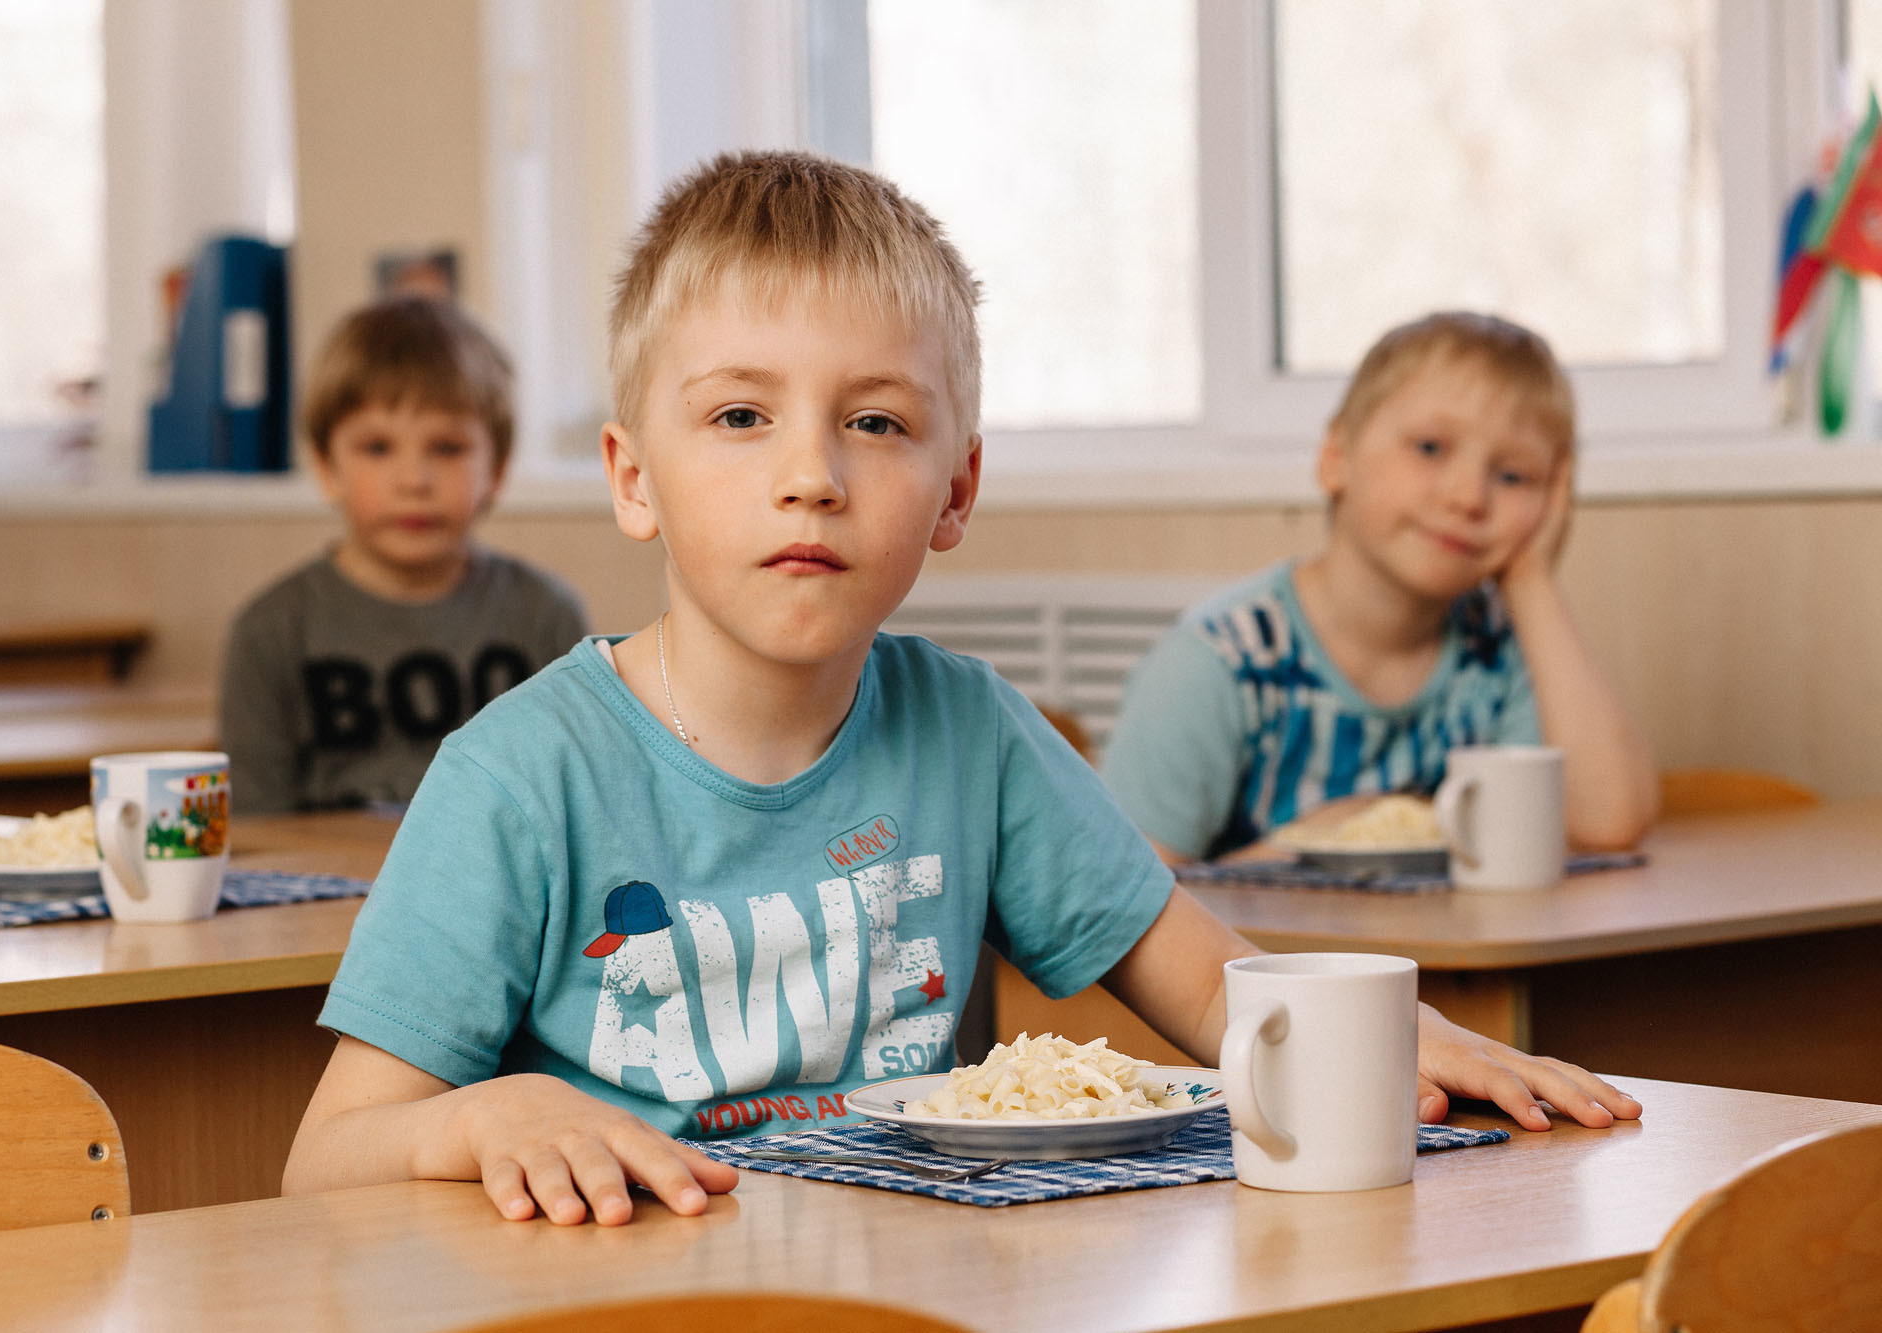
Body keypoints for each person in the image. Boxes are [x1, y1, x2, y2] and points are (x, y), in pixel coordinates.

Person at [282, 154, 1640, 1228]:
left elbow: (1209, 985)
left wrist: (1398, 1034)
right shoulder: (519, 777)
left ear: (957, 489)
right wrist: (476, 1119)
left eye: (875, 421)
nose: (811, 472)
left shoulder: (974, 733)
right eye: (741, 416)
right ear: (635, 478)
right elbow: (322, 1163)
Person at [1102, 312, 1659, 864]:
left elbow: (1606, 823)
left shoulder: (1498, 651)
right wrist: (1303, 851)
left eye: (1514, 477)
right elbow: (1119, 910)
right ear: (1336, 458)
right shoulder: (1217, 663)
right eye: (1430, 448)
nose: (1469, 497)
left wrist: (1533, 579)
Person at [219, 296, 589, 814]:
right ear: (327, 468)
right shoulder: (271, 631)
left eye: (446, 448)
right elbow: (256, 826)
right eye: (377, 448)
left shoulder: (545, 614)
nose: (414, 480)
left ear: (497, 470)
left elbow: (575, 802)